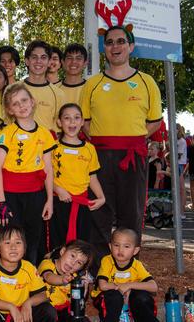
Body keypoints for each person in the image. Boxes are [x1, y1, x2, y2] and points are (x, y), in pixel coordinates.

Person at [80, 24, 162, 259]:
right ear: (104, 48)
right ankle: (97, 272)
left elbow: (154, 122)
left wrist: (131, 140)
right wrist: (105, 143)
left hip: (133, 157)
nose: (115, 46)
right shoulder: (92, 84)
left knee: (132, 215)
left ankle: (129, 269)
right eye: (109, 42)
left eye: (120, 41)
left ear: (131, 46)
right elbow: (85, 123)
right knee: (98, 212)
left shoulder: (147, 82)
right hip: (99, 157)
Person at [0, 82, 56, 264]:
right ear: (9, 110)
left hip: (36, 195)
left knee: (33, 240)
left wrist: (50, 200)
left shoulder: (45, 134)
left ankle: (30, 281)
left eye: (24, 100)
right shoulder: (6, 133)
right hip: (11, 196)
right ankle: (10, 282)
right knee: (11, 240)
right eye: (15, 103)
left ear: (32, 101)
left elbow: (48, 169)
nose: (21, 106)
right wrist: (1, 202)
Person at [50, 104, 105, 248]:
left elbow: (92, 176)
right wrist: (58, 189)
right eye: (67, 118)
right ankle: (55, 270)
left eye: (76, 118)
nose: (72, 122)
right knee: (58, 243)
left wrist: (101, 197)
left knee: (82, 244)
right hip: (59, 202)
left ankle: (80, 270)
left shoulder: (89, 149)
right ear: (59, 123)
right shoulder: (53, 148)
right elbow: (46, 175)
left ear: (82, 122)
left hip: (82, 204)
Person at [0, 226, 56, 322]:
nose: (13, 247)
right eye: (7, 243)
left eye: (18, 242)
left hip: (23, 314)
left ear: (24, 248)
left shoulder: (29, 267)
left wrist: (28, 303)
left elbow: (43, 295)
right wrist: (10, 307)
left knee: (48, 310)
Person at [92, 228, 158, 322]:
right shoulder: (107, 261)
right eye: (116, 245)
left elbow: (153, 286)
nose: (120, 250)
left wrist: (128, 286)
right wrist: (121, 289)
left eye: (126, 246)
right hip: (107, 297)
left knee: (142, 297)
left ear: (135, 250)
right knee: (115, 297)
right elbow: (103, 285)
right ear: (110, 247)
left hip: (129, 297)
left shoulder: (136, 265)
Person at [38, 240, 93, 321]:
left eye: (79, 262)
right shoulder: (47, 263)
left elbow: (76, 305)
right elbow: (48, 277)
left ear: (81, 268)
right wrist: (62, 279)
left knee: (82, 319)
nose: (73, 262)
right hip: (45, 308)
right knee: (49, 312)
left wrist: (83, 290)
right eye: (73, 256)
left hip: (63, 311)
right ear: (62, 251)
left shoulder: (74, 277)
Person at [23, 40, 65, 135]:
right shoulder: (13, 89)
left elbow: (59, 132)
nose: (38, 61)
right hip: (18, 147)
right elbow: (6, 124)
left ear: (49, 61)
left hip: (47, 148)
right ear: (27, 61)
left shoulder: (58, 94)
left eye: (43, 57)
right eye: (34, 57)